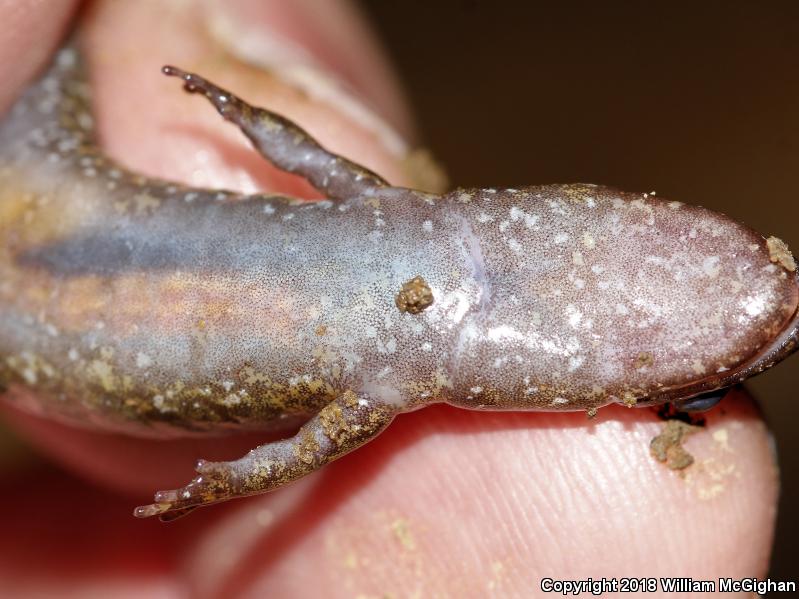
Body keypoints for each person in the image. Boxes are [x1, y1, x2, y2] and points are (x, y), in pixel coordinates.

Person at [0, 0, 778, 595]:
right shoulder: (381, 360)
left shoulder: (380, 380)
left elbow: (289, 455)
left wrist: (222, 481)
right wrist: (234, 109)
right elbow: (296, 150)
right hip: (41, 208)